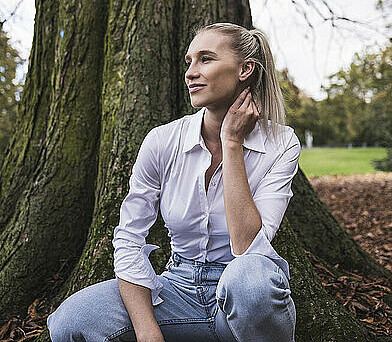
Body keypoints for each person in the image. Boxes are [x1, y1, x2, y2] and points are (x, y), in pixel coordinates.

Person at [47, 22, 301, 342]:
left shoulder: (281, 143)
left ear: (245, 69)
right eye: (189, 61)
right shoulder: (162, 141)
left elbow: (247, 247)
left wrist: (232, 143)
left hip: (244, 296)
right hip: (177, 291)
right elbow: (128, 240)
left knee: (248, 278)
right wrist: (148, 332)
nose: (191, 72)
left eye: (205, 59)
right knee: (71, 319)